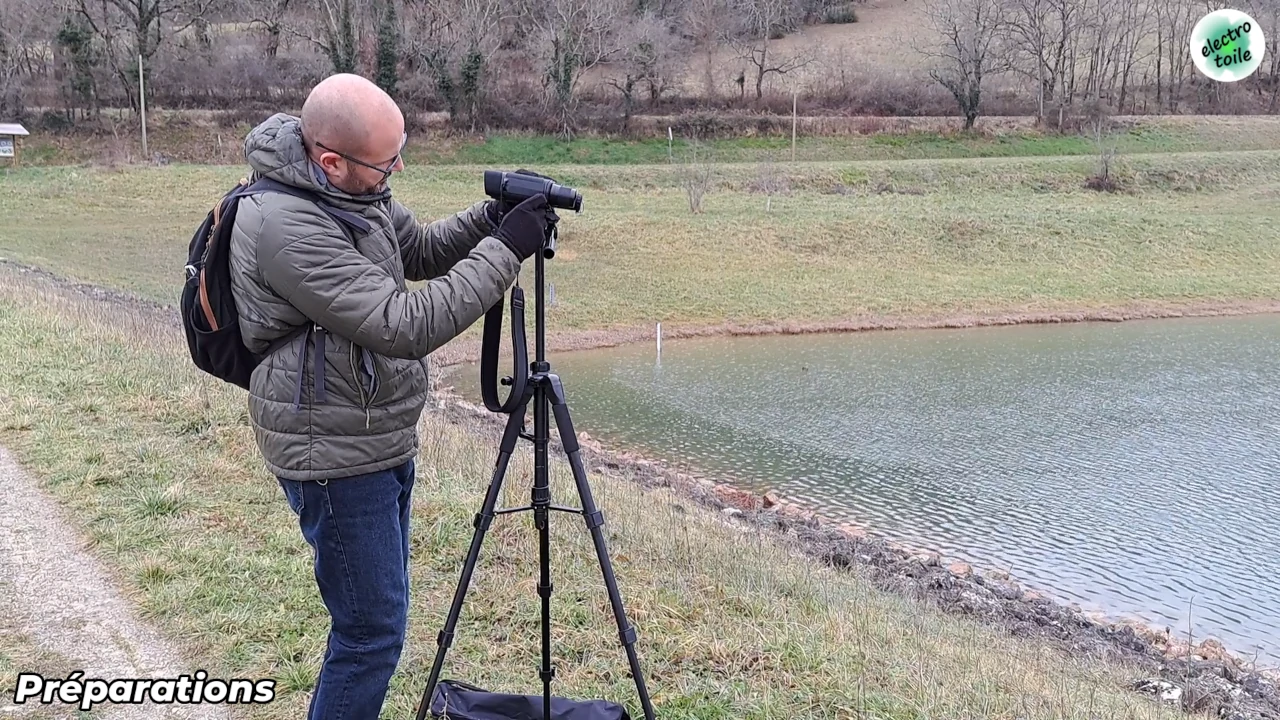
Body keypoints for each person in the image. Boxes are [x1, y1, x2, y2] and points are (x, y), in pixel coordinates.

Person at [225, 73, 554, 719]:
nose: (398, 168)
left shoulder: (349, 190)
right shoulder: (285, 225)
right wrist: (507, 248)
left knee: (376, 622)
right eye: (387, 160)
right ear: (330, 158)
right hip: (334, 454)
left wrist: (489, 217)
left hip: (370, 431)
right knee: (369, 634)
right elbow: (404, 325)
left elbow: (421, 250)